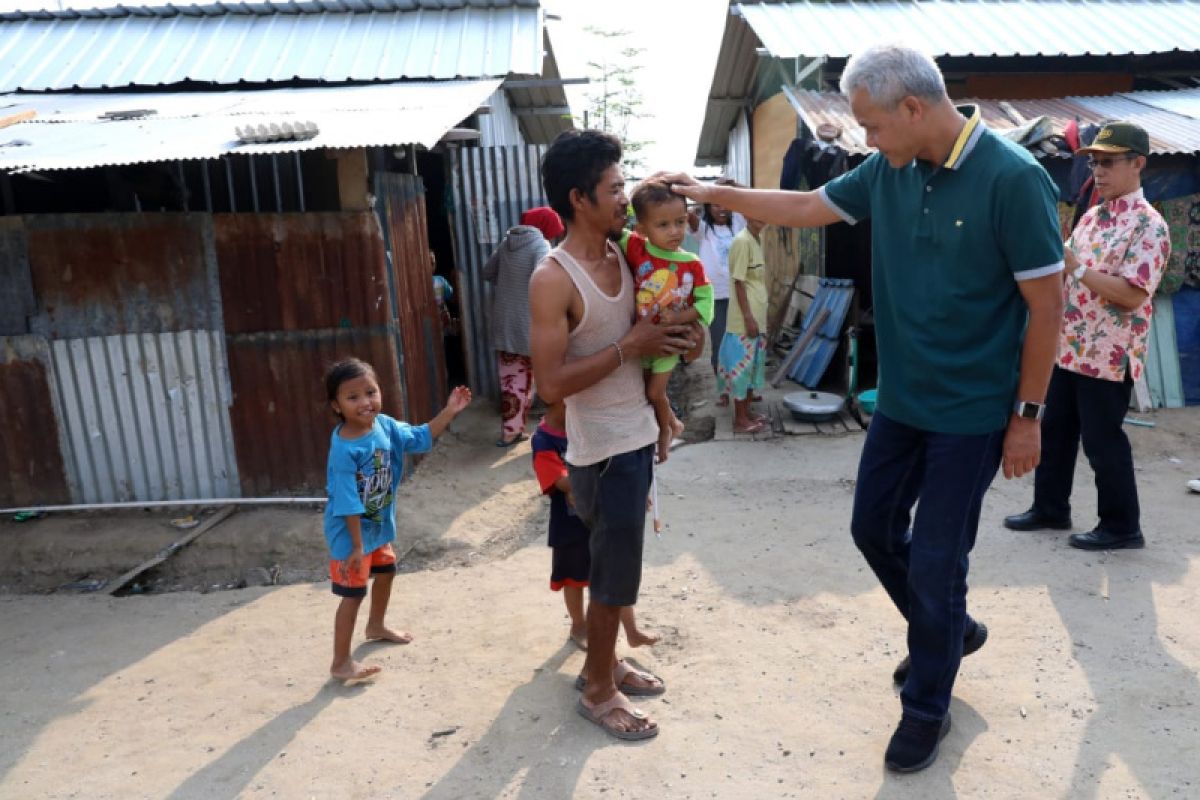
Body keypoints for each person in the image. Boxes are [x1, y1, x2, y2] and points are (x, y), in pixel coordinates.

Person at [666, 43, 1065, 772]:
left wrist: (1027, 417)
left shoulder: (1015, 180)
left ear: (913, 108)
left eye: (872, 126)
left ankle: (926, 705)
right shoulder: (889, 170)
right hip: (902, 402)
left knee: (940, 558)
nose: (866, 142)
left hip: (973, 412)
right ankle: (948, 632)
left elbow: (1047, 307)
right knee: (872, 528)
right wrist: (714, 194)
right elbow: (807, 206)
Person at [529, 129, 696, 740]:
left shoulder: (628, 251)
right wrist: (631, 346)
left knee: (617, 565)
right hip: (598, 448)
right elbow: (549, 384)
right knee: (614, 569)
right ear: (579, 198)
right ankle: (598, 689)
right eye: (615, 188)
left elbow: (667, 318)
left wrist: (682, 337)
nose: (626, 199)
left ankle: (607, 663)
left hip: (634, 433)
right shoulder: (554, 278)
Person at [1004, 121, 1171, 551]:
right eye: (1095, 162)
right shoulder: (1094, 216)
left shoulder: (1149, 227)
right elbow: (1063, 271)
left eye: (1108, 162)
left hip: (1108, 354)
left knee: (1102, 442)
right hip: (1069, 347)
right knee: (1055, 431)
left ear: (1138, 164)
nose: (1098, 170)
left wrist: (1075, 266)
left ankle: (1121, 527)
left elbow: (1132, 295)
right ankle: (1050, 508)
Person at [322, 357, 471, 683]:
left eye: (370, 392)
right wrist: (357, 547)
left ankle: (376, 625)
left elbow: (419, 437)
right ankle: (340, 663)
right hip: (350, 537)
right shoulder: (344, 449)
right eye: (353, 397)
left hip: (376, 528)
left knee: (387, 571)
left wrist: (449, 411)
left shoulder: (386, 426)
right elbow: (346, 502)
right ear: (336, 405)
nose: (365, 402)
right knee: (352, 594)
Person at [531, 400, 660, 650]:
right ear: (559, 403)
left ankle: (631, 631)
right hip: (570, 523)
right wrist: (596, 480)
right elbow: (560, 481)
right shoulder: (543, 440)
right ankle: (578, 625)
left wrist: (629, 489)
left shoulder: (586, 429)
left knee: (615, 574)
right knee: (573, 578)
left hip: (602, 513)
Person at [621, 179, 714, 458]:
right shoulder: (636, 248)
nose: (675, 231)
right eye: (663, 225)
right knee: (645, 396)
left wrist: (681, 316)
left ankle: (668, 430)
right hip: (641, 339)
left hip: (669, 342)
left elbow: (706, 301)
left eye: (680, 222)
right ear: (642, 229)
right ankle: (666, 428)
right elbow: (606, 229)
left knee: (655, 393)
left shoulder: (691, 262)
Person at [484, 206, 565, 447]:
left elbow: (487, 272)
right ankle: (557, 431)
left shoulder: (507, 243)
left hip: (505, 322)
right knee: (550, 379)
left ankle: (510, 432)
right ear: (546, 226)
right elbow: (547, 281)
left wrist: (510, 283)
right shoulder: (540, 245)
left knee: (512, 380)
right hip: (531, 324)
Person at [689, 178, 745, 407]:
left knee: (744, 344)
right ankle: (723, 390)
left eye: (725, 203)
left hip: (741, 293)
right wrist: (707, 193)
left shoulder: (739, 222)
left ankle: (746, 388)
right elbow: (690, 212)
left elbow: (749, 198)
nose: (722, 209)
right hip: (717, 296)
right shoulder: (703, 230)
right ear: (708, 207)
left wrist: (730, 187)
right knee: (720, 344)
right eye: (716, 204)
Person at [719, 214, 770, 434]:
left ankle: (746, 413)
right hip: (743, 321)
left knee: (752, 369)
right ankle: (740, 419)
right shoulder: (742, 241)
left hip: (757, 318)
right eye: (755, 212)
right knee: (742, 371)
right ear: (747, 215)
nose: (761, 217)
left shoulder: (755, 239)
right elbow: (738, 282)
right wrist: (749, 317)